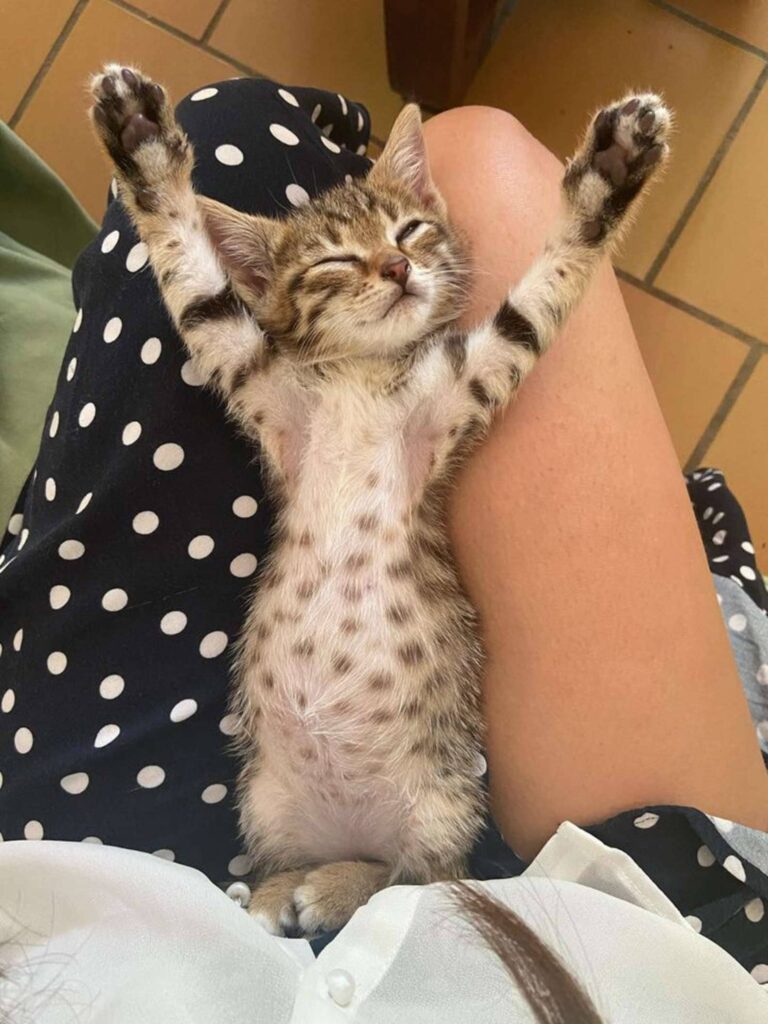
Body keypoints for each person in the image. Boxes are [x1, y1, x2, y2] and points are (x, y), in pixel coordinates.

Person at [1, 76, 767, 1021]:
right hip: (326, 787)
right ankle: (363, 891)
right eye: (337, 270)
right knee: (236, 126)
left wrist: (588, 218)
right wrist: (161, 192)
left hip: (356, 791)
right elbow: (209, 318)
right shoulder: (292, 405)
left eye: (411, 241)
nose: (393, 272)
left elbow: (516, 336)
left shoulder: (427, 405)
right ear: (272, 296)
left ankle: (367, 887)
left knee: (399, 842)